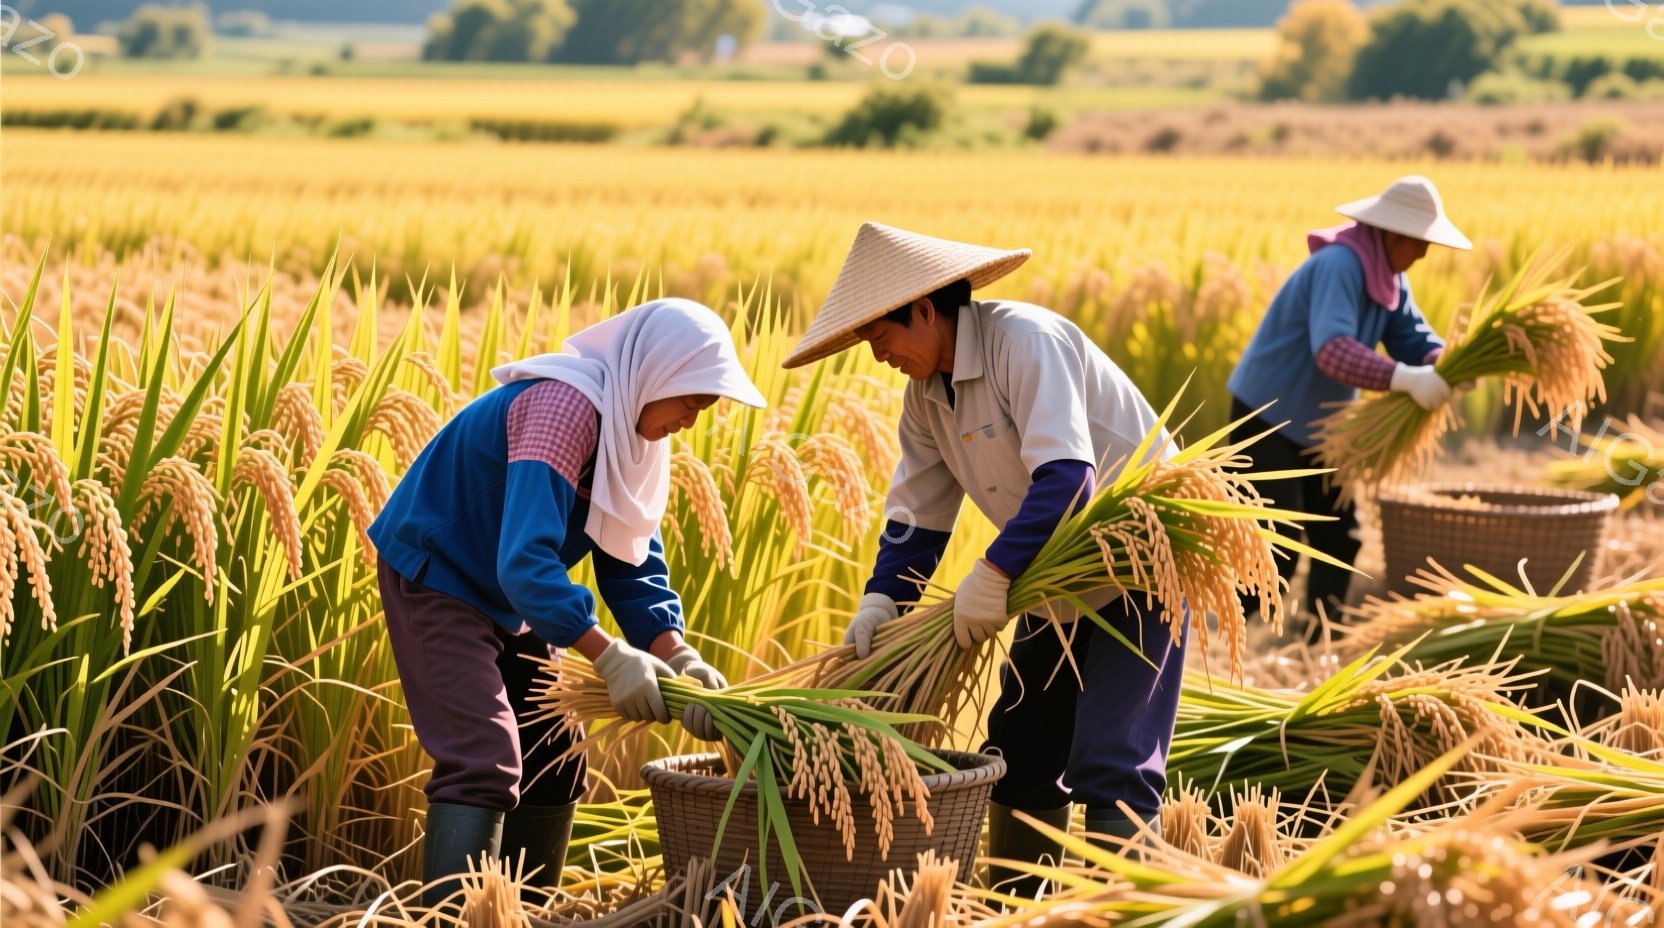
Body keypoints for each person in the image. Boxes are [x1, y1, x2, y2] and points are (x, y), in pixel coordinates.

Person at [784, 222, 1187, 895]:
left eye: (881, 338)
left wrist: (993, 572)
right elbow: (919, 517)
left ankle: (1118, 912)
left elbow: (1068, 477)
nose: (878, 355)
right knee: (1019, 748)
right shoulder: (925, 400)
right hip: (1054, 579)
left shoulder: (1025, 343)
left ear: (922, 308)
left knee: (1112, 755)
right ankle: (1019, 907)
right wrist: (884, 599)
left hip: (1140, 567)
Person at [367, 298, 767, 906]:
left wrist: (676, 653)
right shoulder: (564, 407)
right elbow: (524, 561)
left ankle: (529, 915)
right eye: (691, 400)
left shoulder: (633, 440)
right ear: (654, 372)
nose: (692, 419)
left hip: (506, 597)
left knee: (556, 751)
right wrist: (609, 656)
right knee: (484, 757)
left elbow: (631, 564)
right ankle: (457, 922)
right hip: (438, 575)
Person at [1226, 175, 1472, 640]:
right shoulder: (1341, 265)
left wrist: (1445, 362)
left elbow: (1410, 335)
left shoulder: (1389, 277)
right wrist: (1404, 379)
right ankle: (1229, 638)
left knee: (1340, 537)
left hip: (1321, 426)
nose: (1423, 254)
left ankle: (1314, 643)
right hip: (1268, 414)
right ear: (1394, 235)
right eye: (1420, 243)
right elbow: (1333, 349)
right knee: (1275, 543)